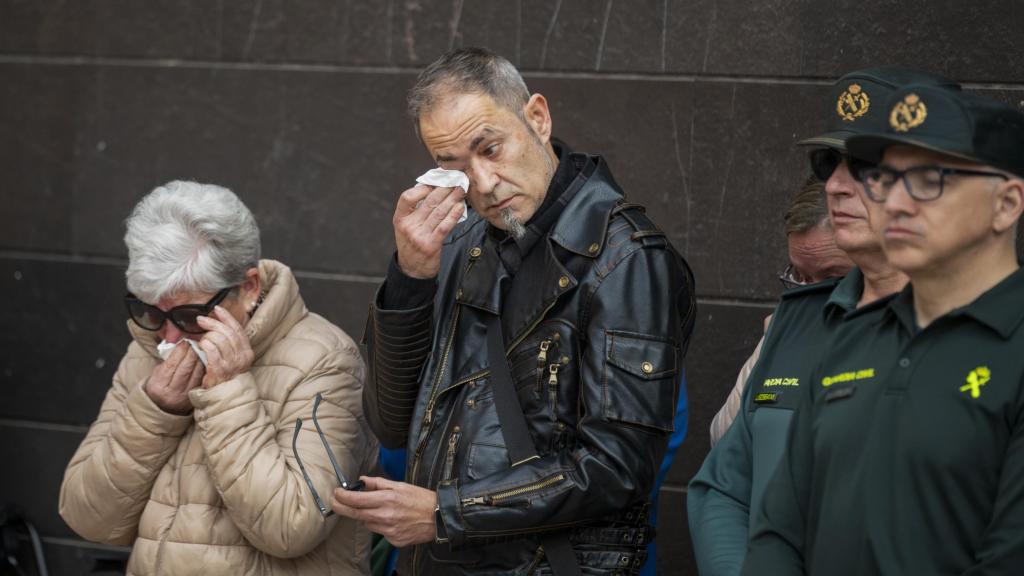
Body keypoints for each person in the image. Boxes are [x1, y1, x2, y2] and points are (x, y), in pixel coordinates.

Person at [333, 47, 695, 575]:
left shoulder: (626, 258)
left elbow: (617, 468)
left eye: (490, 148)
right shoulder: (461, 245)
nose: (481, 184)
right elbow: (391, 423)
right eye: (453, 168)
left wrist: (445, 513)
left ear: (538, 118)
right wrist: (409, 279)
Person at [688, 67, 958, 576]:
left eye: (864, 166)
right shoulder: (798, 321)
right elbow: (722, 489)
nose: (834, 185)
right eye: (829, 164)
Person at [744, 85, 1024, 574]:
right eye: (885, 179)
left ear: (1006, 204)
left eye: (928, 179)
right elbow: (778, 530)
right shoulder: (852, 336)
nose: (894, 202)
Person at [59, 181, 378, 575]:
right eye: (153, 313)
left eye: (189, 316)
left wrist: (229, 393)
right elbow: (87, 517)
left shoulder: (326, 361)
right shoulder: (148, 349)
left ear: (248, 288)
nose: (169, 337)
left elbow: (291, 527)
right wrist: (155, 413)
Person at [708, 176, 853, 446]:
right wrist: (772, 354)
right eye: (800, 275)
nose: (809, 294)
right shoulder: (787, 325)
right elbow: (722, 440)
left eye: (834, 278)